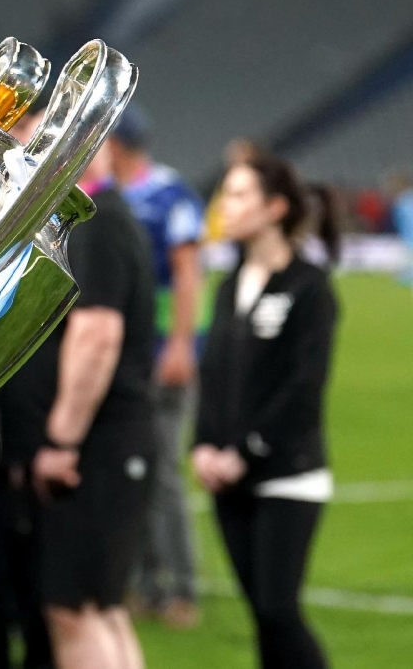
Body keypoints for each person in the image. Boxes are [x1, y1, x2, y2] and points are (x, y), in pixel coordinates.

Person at [5, 142, 155, 669]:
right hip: (110, 444)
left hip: (95, 448)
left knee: (76, 611)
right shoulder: (106, 217)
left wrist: (61, 441)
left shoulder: (97, 221)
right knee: (100, 608)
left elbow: (97, 334)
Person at [193, 153, 338, 669]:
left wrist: (246, 452)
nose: (224, 207)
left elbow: (303, 388)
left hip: (287, 475)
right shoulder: (232, 282)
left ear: (275, 207)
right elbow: (213, 377)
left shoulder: (309, 285)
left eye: (237, 195)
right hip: (229, 478)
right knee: (262, 616)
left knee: (278, 610)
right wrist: (203, 446)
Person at [107, 107, 203, 627]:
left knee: (163, 474)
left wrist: (182, 345)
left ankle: (183, 587)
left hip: (159, 351)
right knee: (129, 468)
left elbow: (188, 274)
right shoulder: (112, 195)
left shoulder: (169, 194)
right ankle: (145, 581)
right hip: (123, 355)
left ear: (115, 143)